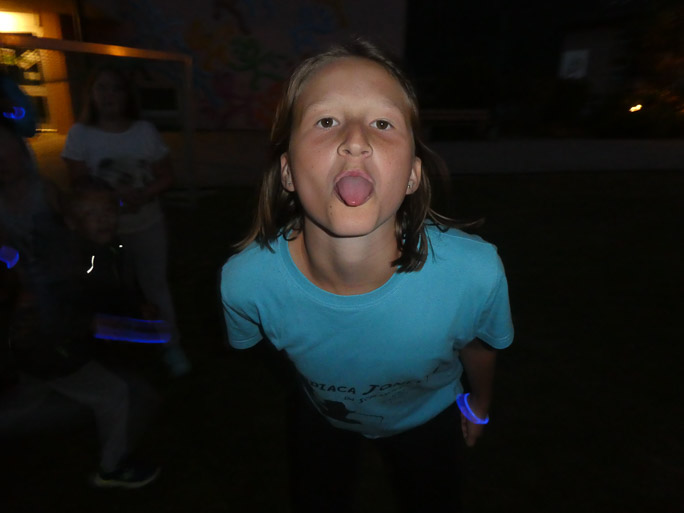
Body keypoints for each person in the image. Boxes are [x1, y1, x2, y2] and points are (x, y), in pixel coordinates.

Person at [220, 39, 514, 512]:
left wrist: (478, 405)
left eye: (382, 123)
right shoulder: (246, 284)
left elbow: (479, 347)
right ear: (288, 172)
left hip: (429, 417)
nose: (355, 140)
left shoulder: (473, 274)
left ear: (412, 175)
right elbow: (273, 348)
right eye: (326, 121)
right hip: (324, 418)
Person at [61, 67, 190, 377]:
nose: (109, 95)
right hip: (102, 233)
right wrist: (113, 198)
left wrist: (143, 194)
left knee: (154, 285)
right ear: (91, 95)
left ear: (127, 95)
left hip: (146, 224)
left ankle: (169, 344)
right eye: (102, 88)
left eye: (116, 88)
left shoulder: (144, 131)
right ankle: (123, 348)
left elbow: (166, 175)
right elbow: (78, 183)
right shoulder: (80, 134)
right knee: (112, 289)